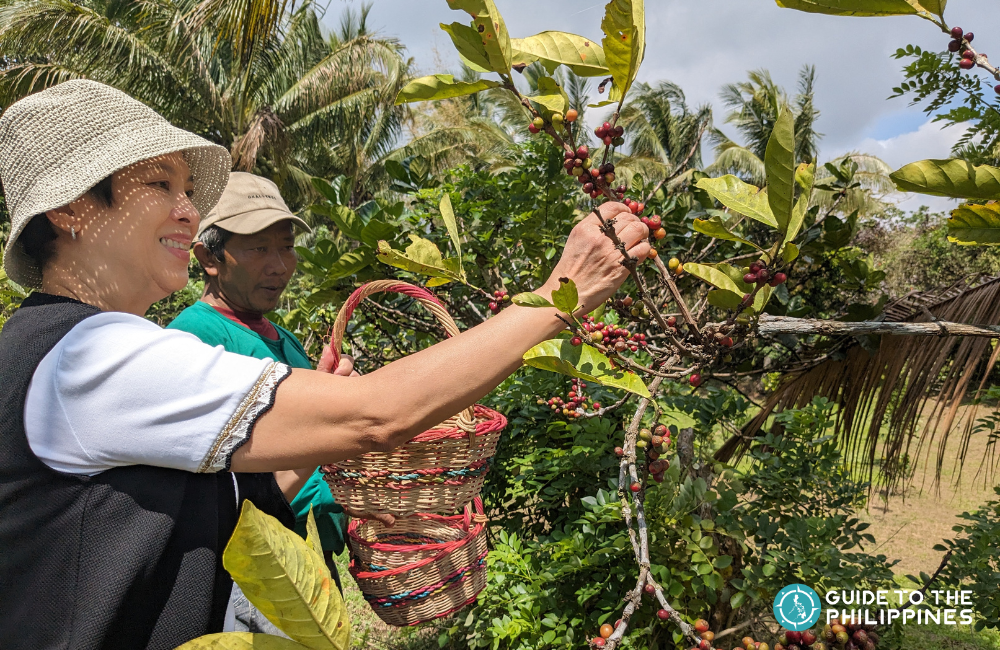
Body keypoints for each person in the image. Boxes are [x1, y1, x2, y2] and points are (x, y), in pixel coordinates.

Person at [0, 79, 649, 649]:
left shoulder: (62, 348)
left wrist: (311, 426)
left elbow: (222, 514)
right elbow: (379, 414)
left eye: (189, 190)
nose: (190, 211)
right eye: (159, 185)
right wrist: (563, 292)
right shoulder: (88, 359)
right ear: (71, 210)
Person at [167, 171, 350, 633]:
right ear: (209, 256)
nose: (280, 265)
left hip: (307, 559)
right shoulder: (195, 338)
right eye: (258, 248)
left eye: (286, 246)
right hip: (255, 574)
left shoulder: (282, 338)